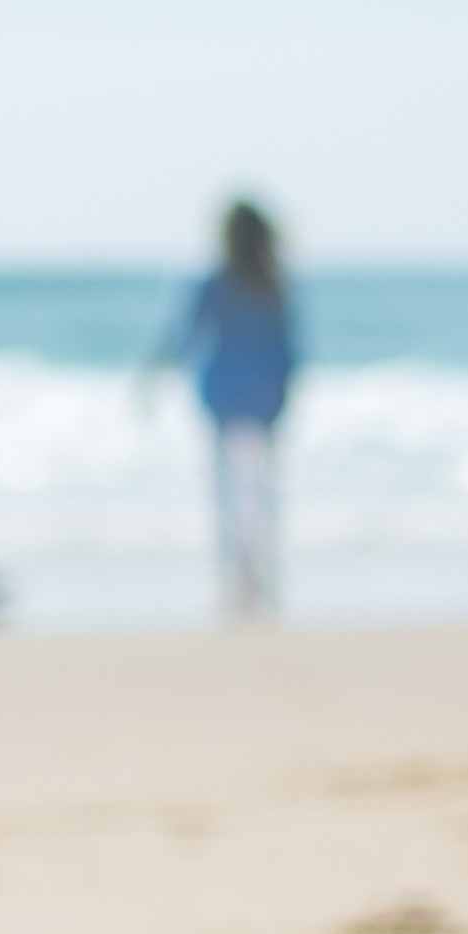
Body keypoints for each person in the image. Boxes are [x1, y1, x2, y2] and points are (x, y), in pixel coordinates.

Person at [157, 199, 299, 619]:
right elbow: (288, 345)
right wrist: (287, 388)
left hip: (221, 388)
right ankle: (266, 573)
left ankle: (230, 573)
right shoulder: (273, 282)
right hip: (263, 387)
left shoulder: (214, 281)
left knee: (224, 490)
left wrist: (153, 379)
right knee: (266, 489)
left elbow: (184, 337)